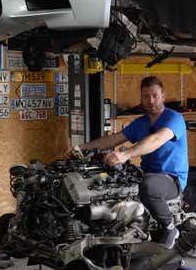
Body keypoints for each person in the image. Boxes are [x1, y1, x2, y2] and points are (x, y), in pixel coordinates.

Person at [67, 76, 188, 249]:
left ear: (163, 96)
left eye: (155, 95)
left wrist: (126, 155)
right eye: (146, 96)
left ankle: (169, 228)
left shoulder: (174, 119)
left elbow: (156, 140)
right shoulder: (141, 123)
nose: (151, 100)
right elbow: (113, 139)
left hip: (170, 179)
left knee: (148, 184)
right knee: (109, 180)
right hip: (145, 173)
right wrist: (81, 148)